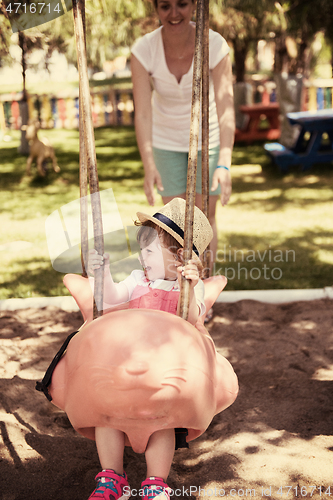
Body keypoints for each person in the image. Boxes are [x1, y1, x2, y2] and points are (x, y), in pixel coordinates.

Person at [86, 198, 213, 500]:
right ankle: (112, 478)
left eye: (150, 251)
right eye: (142, 250)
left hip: (166, 370)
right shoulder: (137, 280)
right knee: (108, 416)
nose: (142, 257)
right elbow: (110, 298)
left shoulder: (189, 290)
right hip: (127, 365)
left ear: (179, 256)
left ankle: (155, 481)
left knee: (162, 423)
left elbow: (194, 317)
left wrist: (191, 287)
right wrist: (102, 273)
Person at [131, 0, 235, 270]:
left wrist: (224, 161)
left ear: (194, 6)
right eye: (165, 6)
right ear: (155, 9)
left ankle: (205, 285)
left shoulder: (214, 44)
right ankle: (182, 289)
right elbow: (142, 113)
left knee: (204, 218)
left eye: (182, 4)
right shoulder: (144, 50)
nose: (174, 13)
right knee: (176, 224)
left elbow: (226, 106)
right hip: (165, 143)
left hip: (207, 140)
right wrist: (149, 164)